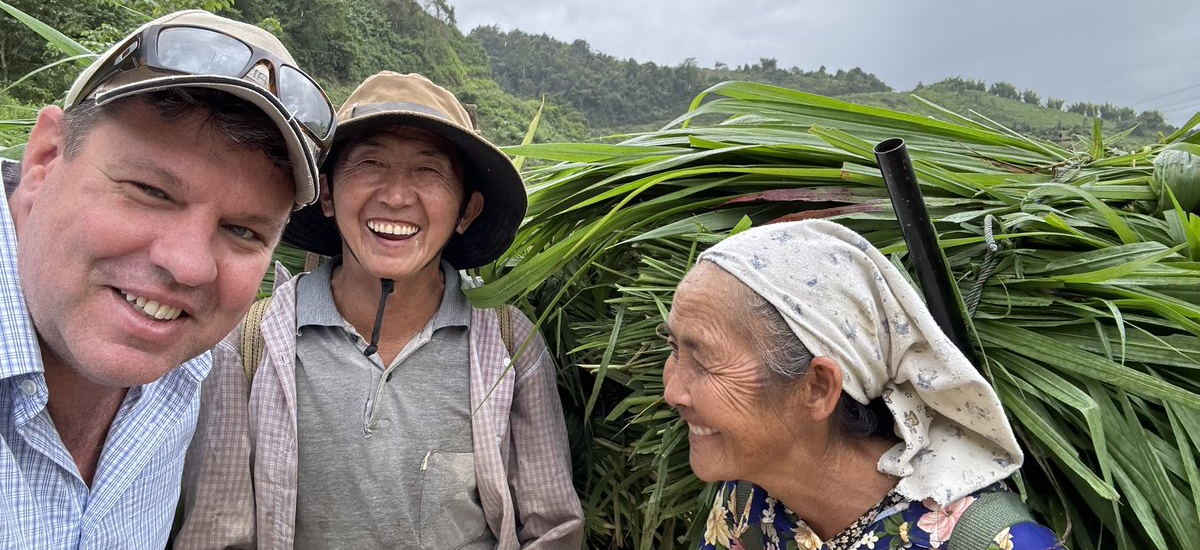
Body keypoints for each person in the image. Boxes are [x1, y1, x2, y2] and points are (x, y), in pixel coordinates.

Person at [177, 71, 584, 549]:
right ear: (327, 195)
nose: (395, 196)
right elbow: (218, 534)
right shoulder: (250, 343)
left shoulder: (510, 347)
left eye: (428, 172)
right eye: (369, 164)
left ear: (467, 212)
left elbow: (552, 529)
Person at [0, 9, 336, 548]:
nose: (189, 265)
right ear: (44, 159)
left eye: (244, 231)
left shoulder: (188, 373)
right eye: (151, 191)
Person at [663, 219, 1064, 550]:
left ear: (818, 388)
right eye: (675, 349)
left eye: (703, 360)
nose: (672, 392)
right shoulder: (751, 502)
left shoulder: (993, 543)